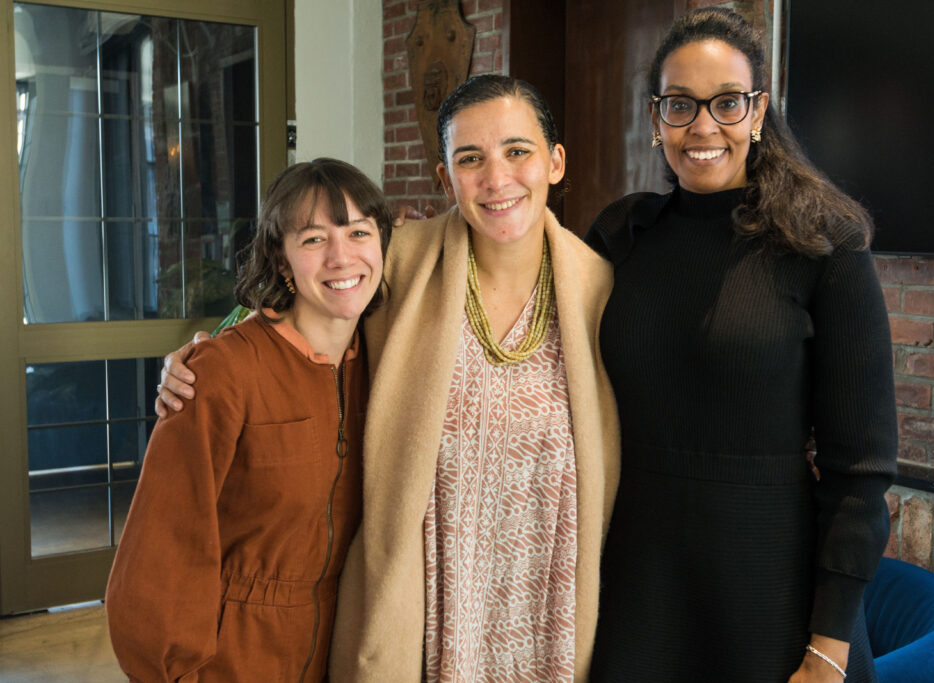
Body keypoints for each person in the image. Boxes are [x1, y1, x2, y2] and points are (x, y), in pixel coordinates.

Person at [156, 76, 620, 682]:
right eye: (469, 159)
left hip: (547, 601)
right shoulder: (400, 260)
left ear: (555, 162)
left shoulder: (601, 288)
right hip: (426, 603)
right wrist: (204, 352)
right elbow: (298, 307)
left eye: (517, 151)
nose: (496, 178)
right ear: (444, 177)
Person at [584, 8, 897, 683]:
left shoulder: (824, 243)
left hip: (772, 598)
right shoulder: (620, 237)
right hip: (640, 588)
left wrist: (828, 647)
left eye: (727, 103)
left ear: (758, 112)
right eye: (680, 104)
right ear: (655, 115)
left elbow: (860, 473)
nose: (702, 126)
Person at [106, 158, 391, 682]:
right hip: (232, 654)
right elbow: (160, 556)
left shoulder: (386, 369)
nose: (341, 256)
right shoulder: (221, 372)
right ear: (280, 260)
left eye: (358, 232)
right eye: (312, 240)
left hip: (344, 646)